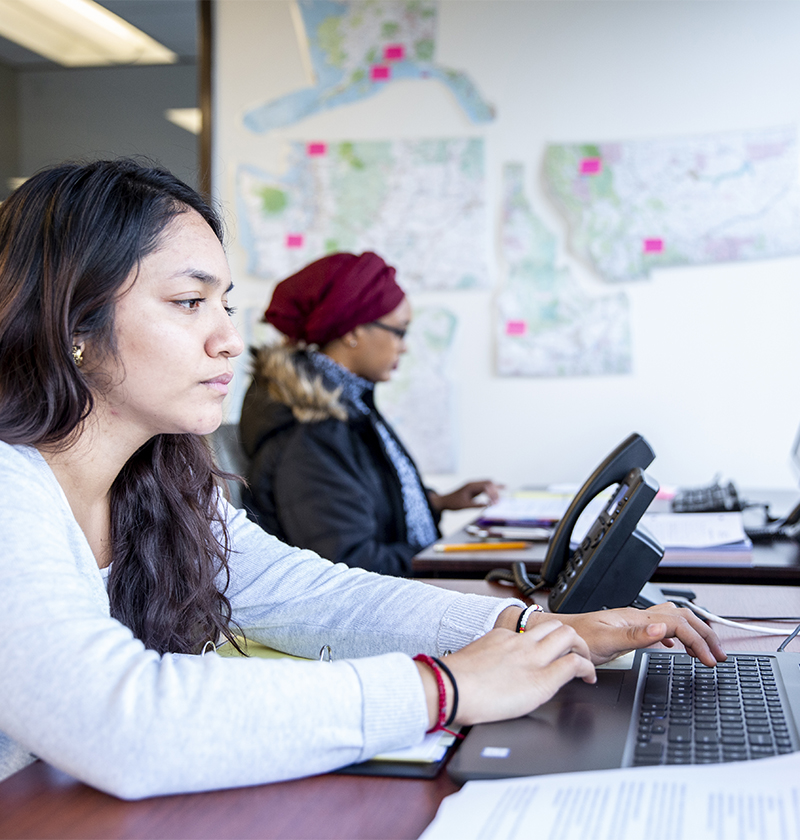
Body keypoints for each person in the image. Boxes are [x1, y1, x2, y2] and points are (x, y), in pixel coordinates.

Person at [0, 159, 725, 800]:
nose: (225, 337)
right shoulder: (11, 485)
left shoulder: (158, 483)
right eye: (189, 303)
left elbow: (314, 595)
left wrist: (531, 629)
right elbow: (120, 722)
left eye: (224, 304)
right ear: (74, 324)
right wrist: (448, 686)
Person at [239, 251, 501, 575]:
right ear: (353, 331)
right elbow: (350, 562)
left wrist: (438, 502)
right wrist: (445, 559)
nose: (404, 346)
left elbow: (357, 500)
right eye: (400, 331)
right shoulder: (309, 433)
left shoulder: (349, 406)